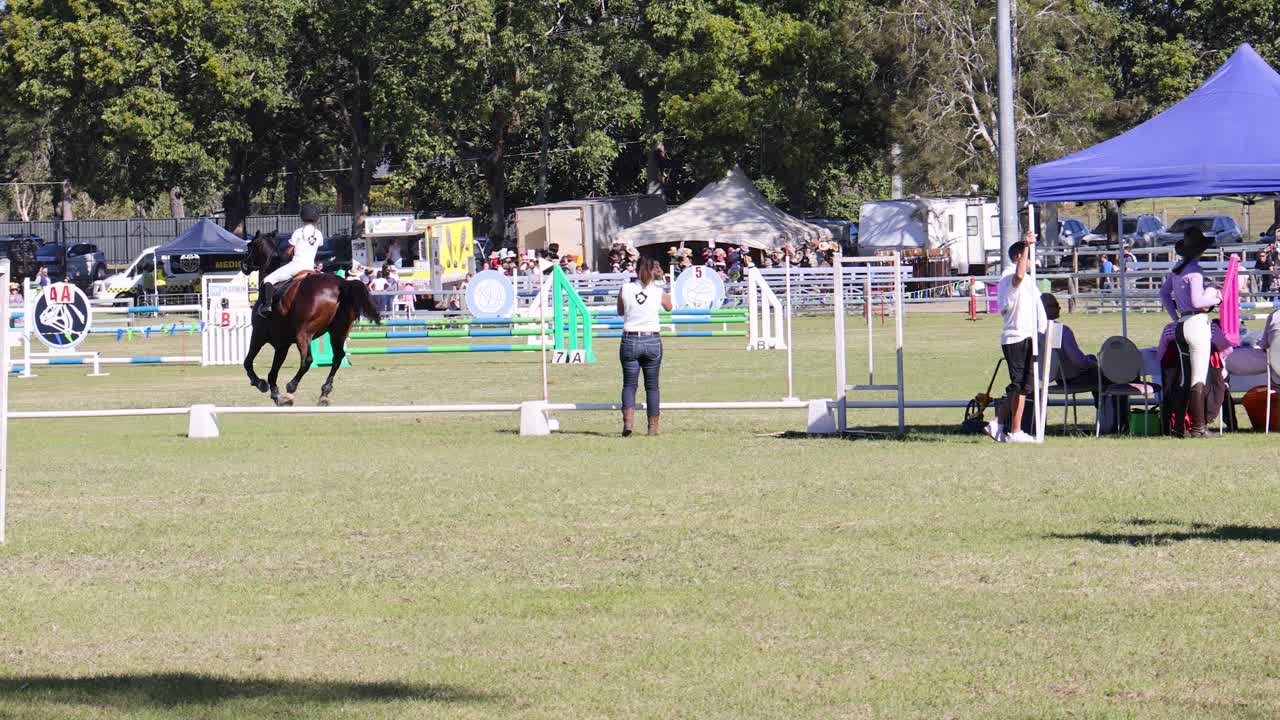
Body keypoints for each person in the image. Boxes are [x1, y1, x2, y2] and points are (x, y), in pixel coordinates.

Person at [984, 229, 1047, 444]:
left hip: (1026, 336)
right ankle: (1016, 430)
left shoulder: (1027, 279)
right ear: (1019, 257)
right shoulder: (1009, 276)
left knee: (1017, 386)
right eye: (1028, 257)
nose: (1031, 262)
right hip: (1018, 337)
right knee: (1021, 387)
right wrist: (1027, 244)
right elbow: (1019, 276)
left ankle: (997, 423)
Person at [1159, 227, 1222, 438]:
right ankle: (1198, 427)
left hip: (1181, 324)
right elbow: (1198, 301)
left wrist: (1175, 316)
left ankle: (1178, 427)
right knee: (1198, 377)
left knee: (1185, 379)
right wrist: (1217, 299)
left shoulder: (1177, 268)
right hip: (1196, 323)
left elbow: (1163, 294)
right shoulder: (1195, 270)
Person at [616, 257, 672, 437]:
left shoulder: (625, 288)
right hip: (652, 339)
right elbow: (669, 307)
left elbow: (621, 312)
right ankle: (652, 428)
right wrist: (660, 279)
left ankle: (628, 422)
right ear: (653, 270)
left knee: (629, 385)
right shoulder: (658, 291)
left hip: (630, 339)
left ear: (636, 270)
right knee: (652, 386)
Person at [257, 204, 324, 318]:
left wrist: (281, 257)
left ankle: (267, 306)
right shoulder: (319, 234)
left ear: (302, 217)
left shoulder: (298, 232)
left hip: (296, 266)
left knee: (268, 279)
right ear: (317, 218)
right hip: (310, 267)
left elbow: (288, 252)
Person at [1040, 293, 1098, 386]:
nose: (1059, 308)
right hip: (1073, 377)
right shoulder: (1062, 330)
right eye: (1056, 305)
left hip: (1056, 378)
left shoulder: (1035, 332)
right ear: (1045, 308)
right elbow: (1078, 361)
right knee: (1110, 377)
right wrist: (1092, 362)